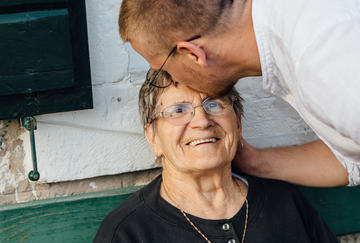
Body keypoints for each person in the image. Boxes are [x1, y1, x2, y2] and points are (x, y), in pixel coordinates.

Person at [118, 0, 360, 189]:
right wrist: (251, 161)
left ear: (193, 54)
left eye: (164, 67)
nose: (172, 78)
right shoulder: (302, 12)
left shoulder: (321, 55)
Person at [93, 70, 339, 243]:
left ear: (238, 123)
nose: (201, 121)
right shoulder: (127, 233)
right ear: (153, 138)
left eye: (214, 104)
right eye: (178, 110)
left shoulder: (286, 203)